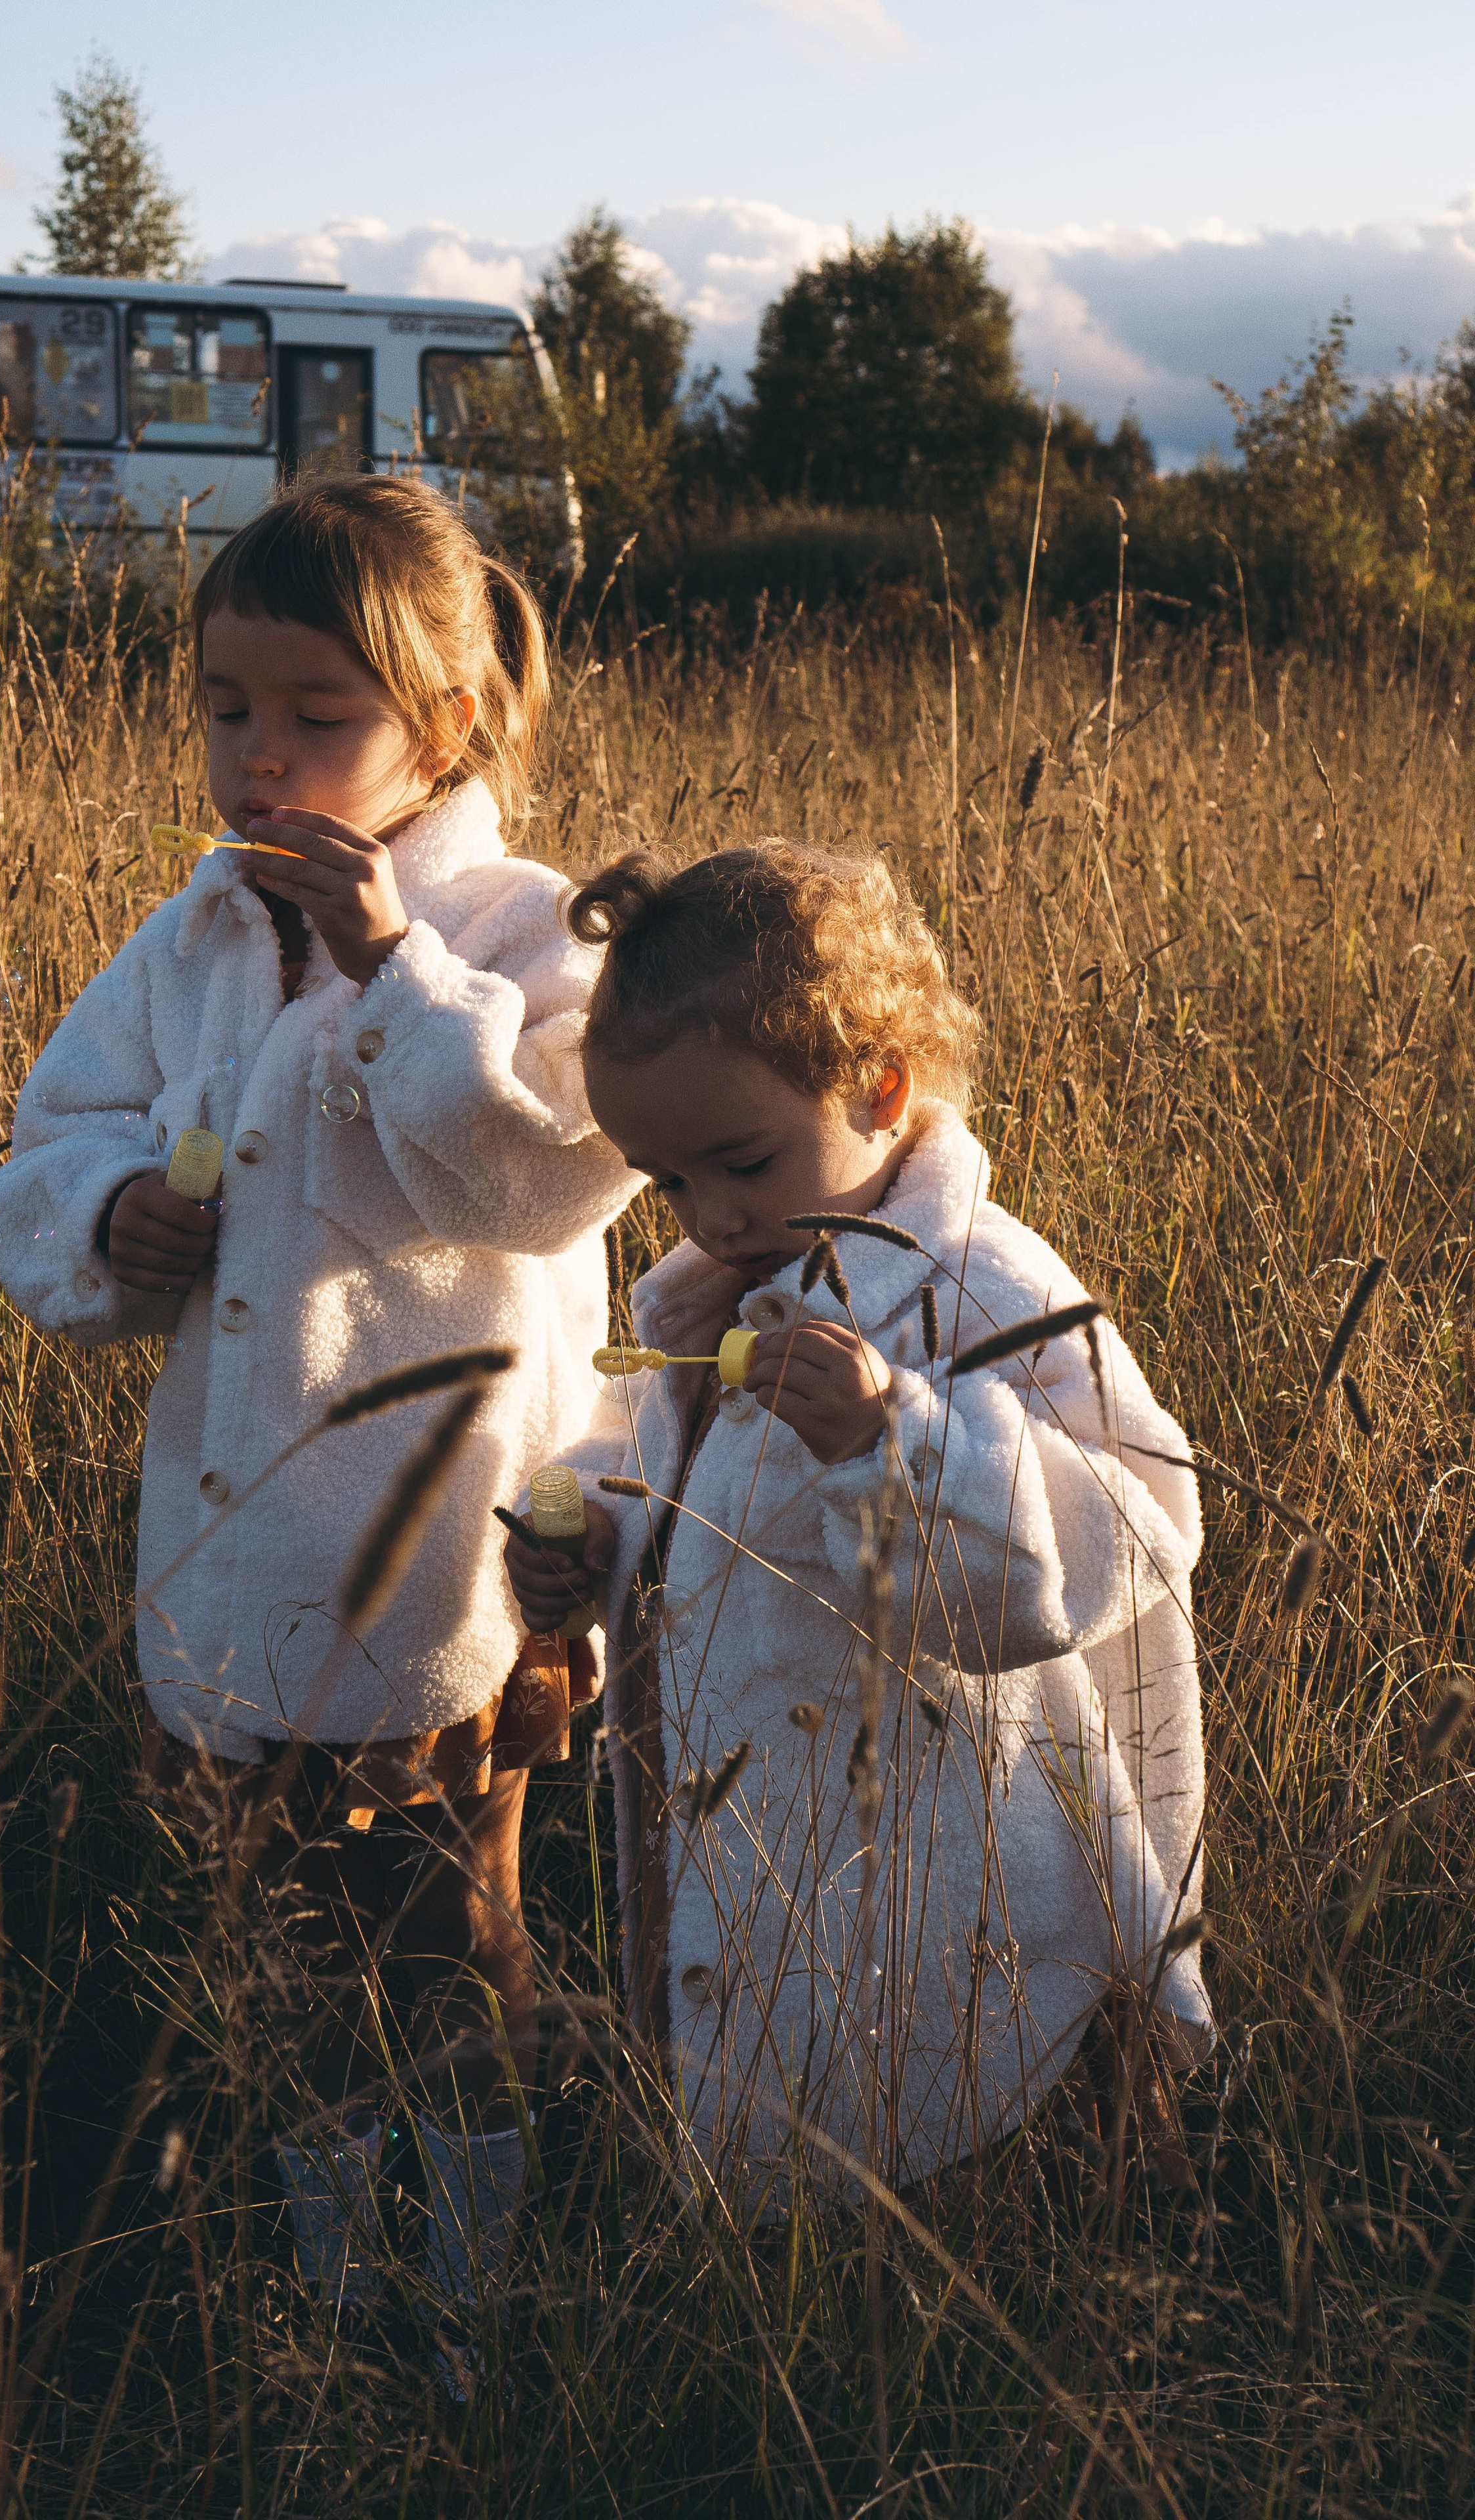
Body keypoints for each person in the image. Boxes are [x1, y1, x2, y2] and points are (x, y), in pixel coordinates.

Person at [0, 477, 633, 2307]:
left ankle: (475, 2288)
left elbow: (551, 1170)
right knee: (275, 1941)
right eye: (224, 706)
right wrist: (111, 1216)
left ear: (450, 723)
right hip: (233, 1537)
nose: (258, 754)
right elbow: (59, 1127)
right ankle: (342, 2282)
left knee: (447, 1928)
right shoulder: (196, 930)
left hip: (446, 1554)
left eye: (316, 715)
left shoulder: (524, 932)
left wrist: (390, 970)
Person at [503, 843, 1211, 2198]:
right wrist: (595, 1540)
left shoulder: (983, 1288)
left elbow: (1134, 1537)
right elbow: (662, 1462)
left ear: (879, 1089)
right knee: (782, 2107)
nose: (713, 1215)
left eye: (742, 1161)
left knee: (950, 2143)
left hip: (956, 1867)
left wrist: (898, 1445)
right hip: (751, 1837)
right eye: (669, 1184)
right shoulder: (714, 1285)